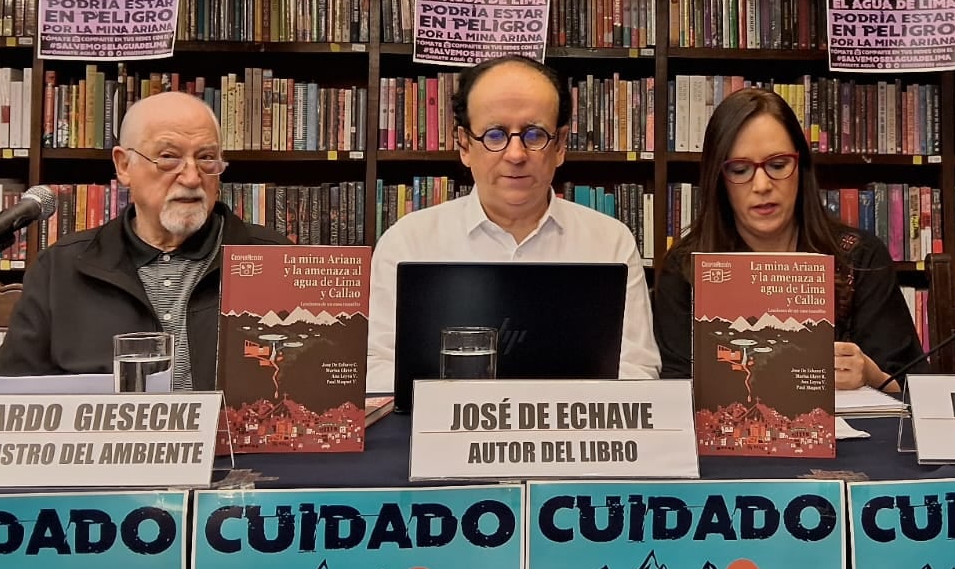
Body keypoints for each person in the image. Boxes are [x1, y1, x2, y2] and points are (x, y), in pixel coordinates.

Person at [366, 54, 660, 391]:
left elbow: (638, 371)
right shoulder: (408, 242)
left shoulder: (610, 243)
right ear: (464, 145)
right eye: (495, 134)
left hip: (568, 437)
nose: (516, 154)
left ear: (560, 145)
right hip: (442, 435)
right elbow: (377, 368)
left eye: (534, 135)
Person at [0, 90, 287, 388]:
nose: (192, 178)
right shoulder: (61, 269)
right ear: (124, 166)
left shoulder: (277, 262)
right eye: (169, 158)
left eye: (207, 158)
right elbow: (14, 397)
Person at [652, 87, 923, 387]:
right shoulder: (684, 268)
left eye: (778, 165)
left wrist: (872, 375)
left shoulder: (860, 257)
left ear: (801, 167)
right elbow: (673, 390)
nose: (762, 185)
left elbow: (914, 392)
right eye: (740, 170)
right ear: (718, 180)